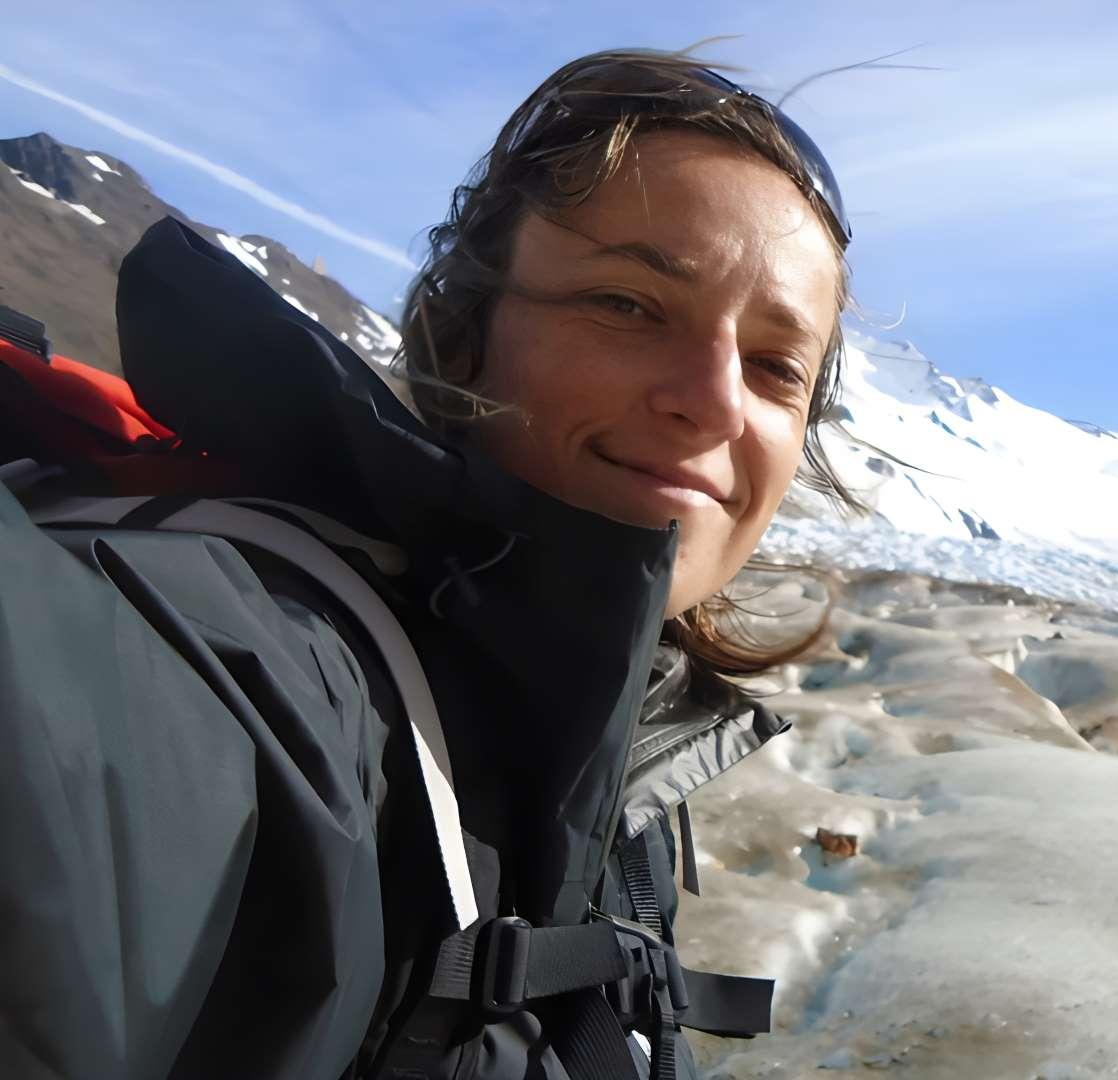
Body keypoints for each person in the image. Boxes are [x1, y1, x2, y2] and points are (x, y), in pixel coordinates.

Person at [0, 47, 858, 1079]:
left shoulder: (609, 733)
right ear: (464, 342)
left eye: (776, 366)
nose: (717, 402)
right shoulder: (282, 672)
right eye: (627, 305)